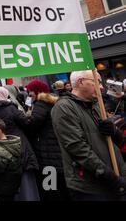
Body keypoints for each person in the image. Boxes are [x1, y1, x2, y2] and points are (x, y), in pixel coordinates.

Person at [52, 70, 126, 201]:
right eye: (96, 82)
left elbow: (117, 142)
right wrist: (110, 176)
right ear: (81, 82)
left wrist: (114, 132)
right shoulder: (64, 107)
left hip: (116, 177)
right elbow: (77, 148)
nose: (101, 87)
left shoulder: (97, 105)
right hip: (91, 186)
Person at [26, 79, 69, 201]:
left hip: (47, 156)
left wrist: (25, 118)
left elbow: (32, 125)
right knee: (61, 188)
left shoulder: (40, 104)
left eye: (30, 92)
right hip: (57, 152)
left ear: (37, 91)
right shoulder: (53, 103)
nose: (29, 95)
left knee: (50, 189)